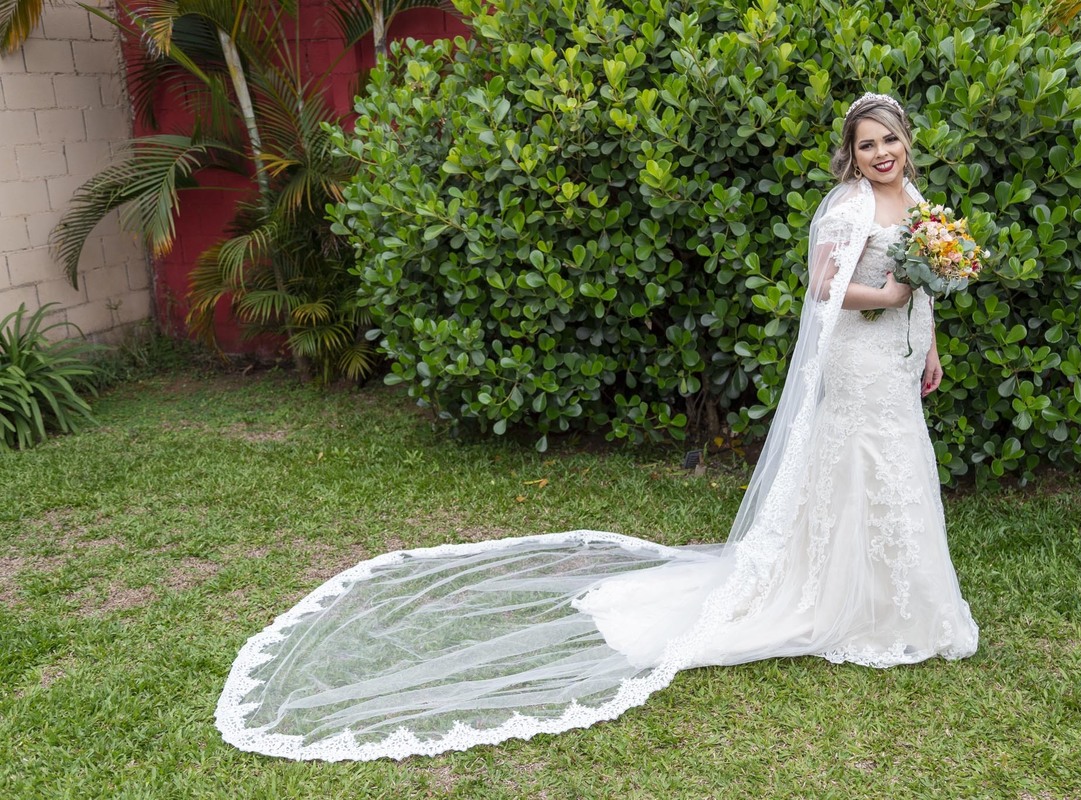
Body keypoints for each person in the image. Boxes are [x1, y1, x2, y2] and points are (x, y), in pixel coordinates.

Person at [215, 93, 978, 762]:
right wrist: (890, 297)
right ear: (852, 153)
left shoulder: (915, 200)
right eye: (868, 144)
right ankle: (836, 593)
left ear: (906, 141)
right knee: (854, 463)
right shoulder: (847, 207)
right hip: (855, 360)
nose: (882, 153)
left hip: (898, 360)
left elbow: (922, 288)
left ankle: (898, 598)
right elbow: (824, 289)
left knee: (896, 461)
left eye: (890, 139)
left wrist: (928, 343)